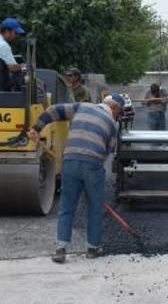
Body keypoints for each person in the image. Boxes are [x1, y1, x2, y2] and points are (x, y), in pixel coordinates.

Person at [28, 93, 125, 263]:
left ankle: (60, 249)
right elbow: (109, 151)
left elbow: (52, 111)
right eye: (119, 112)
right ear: (115, 107)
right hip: (93, 165)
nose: (118, 115)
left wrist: (36, 128)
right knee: (94, 207)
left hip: (70, 161)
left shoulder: (82, 107)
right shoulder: (111, 123)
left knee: (66, 206)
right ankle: (93, 248)